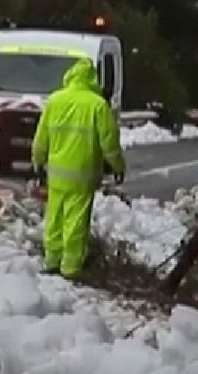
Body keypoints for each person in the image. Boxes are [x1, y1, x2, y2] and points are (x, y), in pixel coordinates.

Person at [30, 57, 126, 278]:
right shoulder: (97, 105)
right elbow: (109, 143)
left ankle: (52, 260)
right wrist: (118, 166)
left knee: (54, 217)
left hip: (56, 174)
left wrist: (38, 161)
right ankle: (70, 268)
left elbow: (41, 138)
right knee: (76, 221)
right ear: (92, 79)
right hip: (83, 175)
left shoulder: (55, 101)